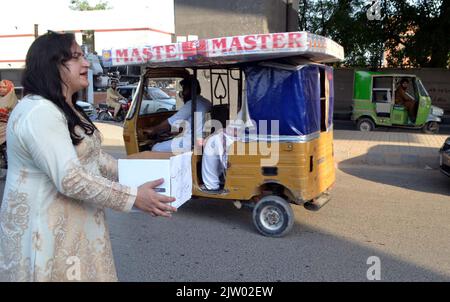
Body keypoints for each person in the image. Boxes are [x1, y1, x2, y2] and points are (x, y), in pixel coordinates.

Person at [0, 32, 176, 282]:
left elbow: (95, 158)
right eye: (76, 57)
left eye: (83, 56)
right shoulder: (40, 112)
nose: (87, 64)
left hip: (75, 227)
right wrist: (134, 197)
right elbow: (70, 178)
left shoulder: (65, 107)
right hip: (45, 232)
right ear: (52, 65)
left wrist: (148, 177)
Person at [144, 76, 212, 152]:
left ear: (189, 90)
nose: (182, 92)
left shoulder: (192, 104)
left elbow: (170, 123)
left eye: (184, 89)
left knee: (155, 148)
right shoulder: (206, 102)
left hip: (191, 142)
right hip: (202, 140)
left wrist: (153, 130)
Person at [0, 79, 18, 145]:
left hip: (7, 133)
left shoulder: (14, 102)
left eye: (4, 87)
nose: (1, 89)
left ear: (10, 88)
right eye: (0, 87)